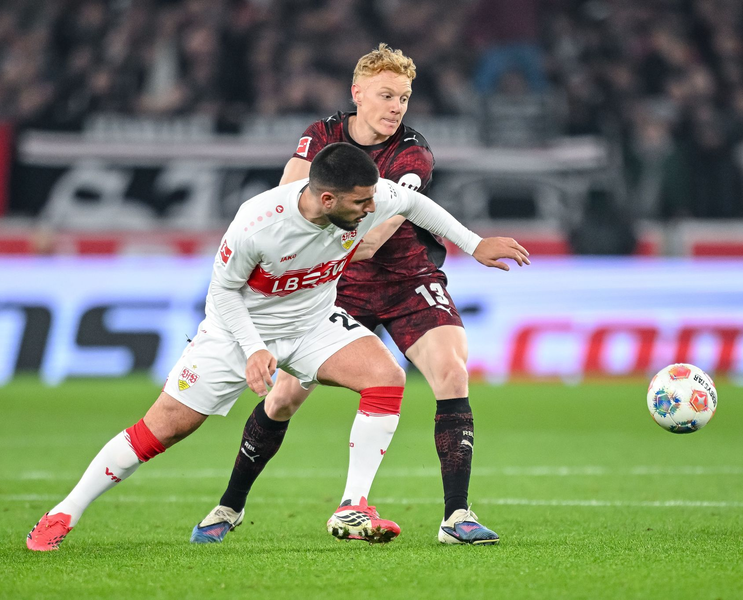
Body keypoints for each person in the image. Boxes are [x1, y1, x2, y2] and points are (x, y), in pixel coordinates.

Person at [26, 142, 530, 551]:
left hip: (313, 323)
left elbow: (415, 202)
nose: (370, 211)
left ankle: (352, 505)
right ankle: (63, 512)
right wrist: (251, 349)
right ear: (326, 199)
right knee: (160, 430)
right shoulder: (258, 222)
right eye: (360, 204)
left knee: (385, 376)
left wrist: (473, 243)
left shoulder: (366, 199)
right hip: (235, 332)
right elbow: (221, 294)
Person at [192, 44, 509, 547]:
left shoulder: (413, 153)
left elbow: (375, 237)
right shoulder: (320, 136)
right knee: (283, 398)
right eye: (386, 95)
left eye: (403, 98)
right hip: (334, 282)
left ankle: (457, 516)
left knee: (452, 372)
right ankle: (230, 504)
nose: (395, 107)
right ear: (357, 93)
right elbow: (285, 201)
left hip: (406, 277)